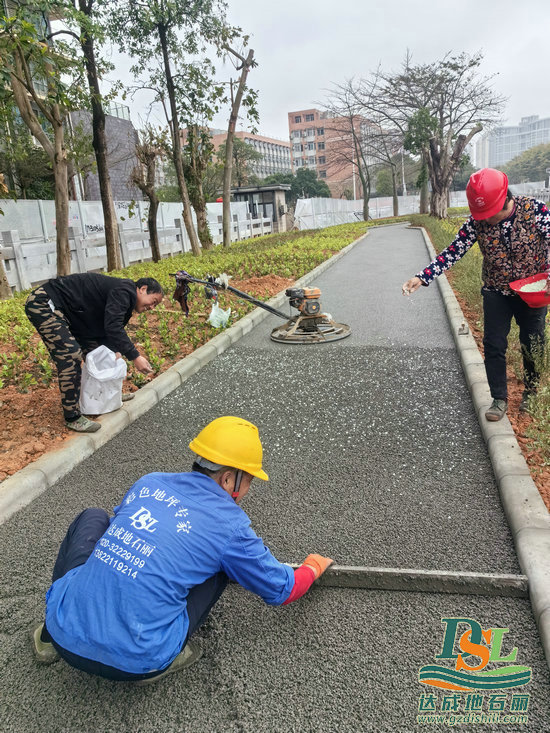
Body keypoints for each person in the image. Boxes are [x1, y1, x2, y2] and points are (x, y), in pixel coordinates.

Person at [31, 416, 333, 684]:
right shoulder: (230, 525)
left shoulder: (149, 481)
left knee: (93, 517)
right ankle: (171, 651)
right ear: (229, 479)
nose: (249, 488)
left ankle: (46, 638)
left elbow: (115, 526)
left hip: (63, 634)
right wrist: (312, 568)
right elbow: (282, 590)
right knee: (221, 570)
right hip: (139, 660)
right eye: (250, 479)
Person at [402, 168, 550, 422]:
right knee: (494, 344)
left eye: (491, 213)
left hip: (532, 290)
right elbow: (453, 251)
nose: (486, 219)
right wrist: (422, 276)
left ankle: (532, 392)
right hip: (496, 290)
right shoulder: (476, 222)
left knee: (532, 342)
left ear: (505, 199)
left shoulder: (536, 210)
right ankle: (499, 398)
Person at [25, 273, 163, 433]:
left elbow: (108, 329)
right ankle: (73, 417)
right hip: (45, 303)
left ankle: (108, 397)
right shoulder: (126, 291)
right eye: (154, 302)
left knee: (99, 352)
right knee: (70, 354)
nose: (152, 308)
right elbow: (113, 327)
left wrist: (114, 350)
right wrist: (135, 356)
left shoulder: (126, 298)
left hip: (73, 314)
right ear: (143, 289)